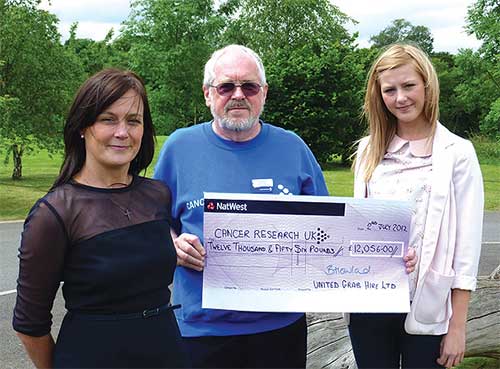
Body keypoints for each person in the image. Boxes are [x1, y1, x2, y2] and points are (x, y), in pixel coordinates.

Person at [152, 44, 330, 368]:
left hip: (280, 327)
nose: (238, 95)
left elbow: (330, 229)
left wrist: (385, 254)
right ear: (208, 94)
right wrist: (173, 244)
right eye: (225, 86)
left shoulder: (293, 147)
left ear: (263, 93)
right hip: (201, 330)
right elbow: (154, 222)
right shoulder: (179, 147)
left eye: (248, 86)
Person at [13, 68, 187, 368]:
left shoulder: (158, 195)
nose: (123, 132)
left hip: (167, 355)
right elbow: (29, 324)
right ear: (83, 126)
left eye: (133, 121)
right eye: (108, 119)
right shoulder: (55, 213)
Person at [349, 43, 484, 369]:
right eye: (389, 89)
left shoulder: (458, 152)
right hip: (371, 303)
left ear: (426, 84)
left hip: (428, 306)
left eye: (408, 85)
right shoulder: (368, 151)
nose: (400, 98)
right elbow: (356, 228)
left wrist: (457, 327)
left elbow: (466, 250)